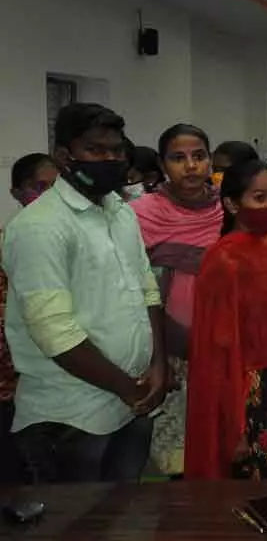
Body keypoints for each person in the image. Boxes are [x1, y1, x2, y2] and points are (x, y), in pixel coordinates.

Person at [3, 103, 166, 483]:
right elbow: (54, 332)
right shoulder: (40, 226)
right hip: (71, 416)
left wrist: (158, 364)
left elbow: (147, 289)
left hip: (132, 402)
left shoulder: (120, 211)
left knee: (125, 521)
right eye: (95, 150)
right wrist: (128, 387)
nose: (110, 159)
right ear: (64, 157)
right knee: (76, 528)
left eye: (116, 150)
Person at [185, 160, 267, 480]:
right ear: (232, 204)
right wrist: (235, 426)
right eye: (259, 198)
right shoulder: (224, 259)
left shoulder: (261, 251)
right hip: (243, 395)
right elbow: (219, 349)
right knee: (253, 491)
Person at [131, 124, 222, 477]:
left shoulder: (226, 210)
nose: (191, 166)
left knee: (221, 448)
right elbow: (134, 284)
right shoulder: (141, 214)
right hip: (166, 350)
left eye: (199, 156)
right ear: (162, 164)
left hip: (223, 346)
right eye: (178, 158)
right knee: (175, 459)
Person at [1, 153, 59, 483]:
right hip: (14, 387)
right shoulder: (10, 241)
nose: (49, 197)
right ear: (16, 193)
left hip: (58, 385)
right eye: (40, 187)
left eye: (56, 188)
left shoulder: (71, 242)